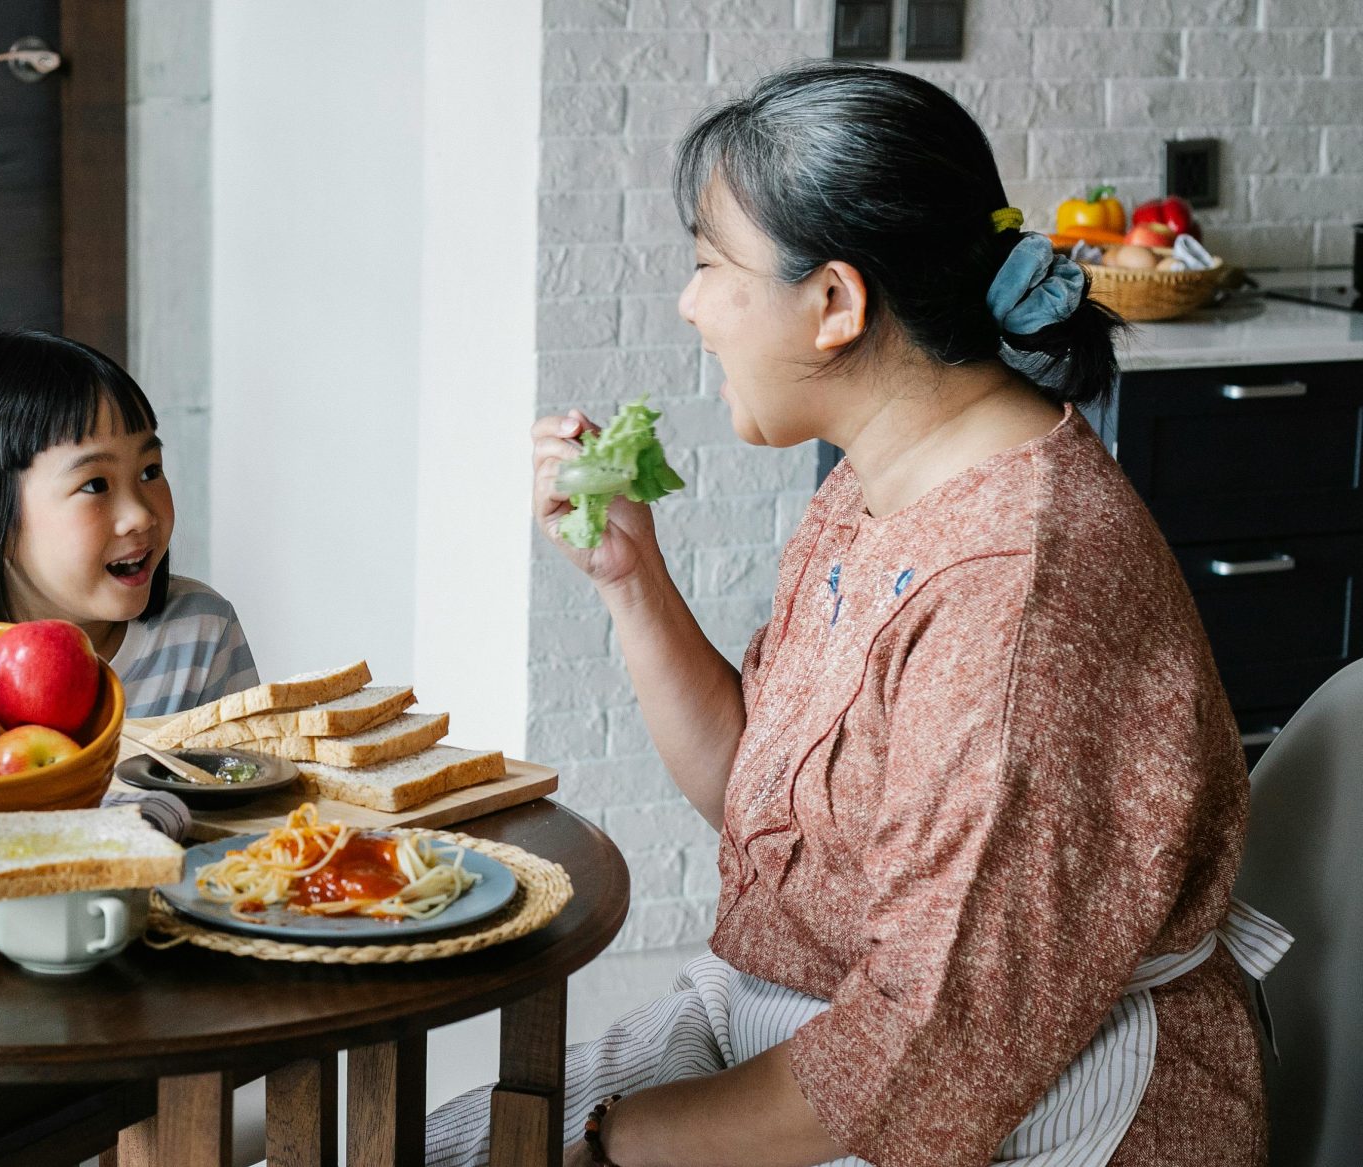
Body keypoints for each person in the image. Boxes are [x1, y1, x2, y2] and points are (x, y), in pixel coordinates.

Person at [428, 60, 1289, 1167]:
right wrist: (629, 578)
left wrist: (614, 1144)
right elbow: (761, 797)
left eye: (708, 265)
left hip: (1024, 1104)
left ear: (834, 302)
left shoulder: (1013, 588)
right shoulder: (882, 479)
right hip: (820, 1034)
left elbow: (926, 1053)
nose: (689, 304)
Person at [0, 329, 258, 719]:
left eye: (150, 471)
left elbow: (249, 774)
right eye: (95, 484)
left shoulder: (202, 633)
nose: (141, 515)